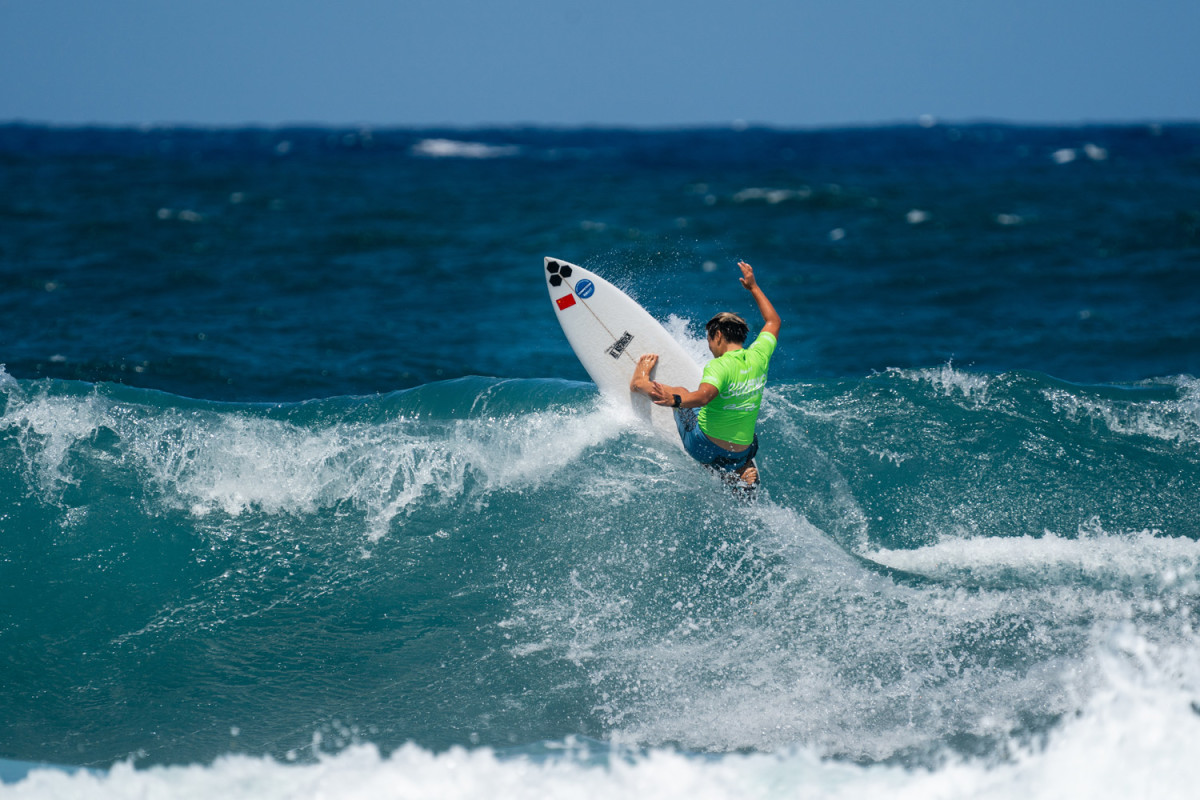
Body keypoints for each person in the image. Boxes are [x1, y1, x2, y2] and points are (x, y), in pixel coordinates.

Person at [629, 260, 781, 488]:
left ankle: (639, 383)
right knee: (744, 430)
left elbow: (704, 395)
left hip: (704, 447)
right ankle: (741, 468)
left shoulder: (720, 366)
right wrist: (754, 288)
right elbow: (773, 321)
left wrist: (676, 400)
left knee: (682, 392)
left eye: (709, 339)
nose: (709, 346)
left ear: (718, 335)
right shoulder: (759, 356)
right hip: (742, 451)